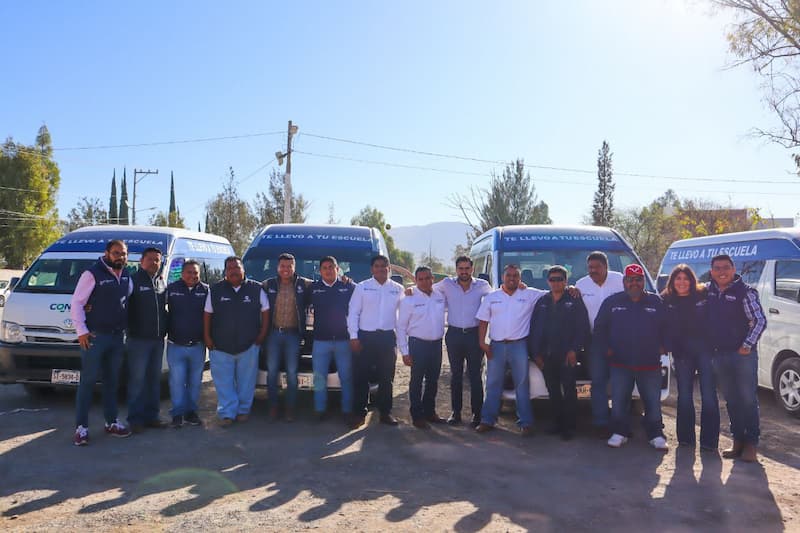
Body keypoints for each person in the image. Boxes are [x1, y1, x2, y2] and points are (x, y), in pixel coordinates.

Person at [594, 264, 668, 451]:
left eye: (638, 279)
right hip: (620, 363)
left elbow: (669, 328)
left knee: (652, 401)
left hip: (649, 364)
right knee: (619, 400)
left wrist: (664, 346)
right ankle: (620, 432)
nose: (634, 283)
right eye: (630, 279)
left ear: (643, 281)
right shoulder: (612, 302)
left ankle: (656, 434)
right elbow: (599, 328)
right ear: (624, 282)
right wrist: (607, 349)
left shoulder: (656, 302)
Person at [70, 239, 132, 446]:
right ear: (107, 253)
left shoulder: (126, 275)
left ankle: (111, 422)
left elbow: (126, 301)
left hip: (116, 337)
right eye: (116, 253)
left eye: (123, 253)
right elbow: (77, 303)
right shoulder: (92, 274)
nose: (120, 257)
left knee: (112, 382)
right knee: (87, 382)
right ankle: (81, 428)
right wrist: (82, 332)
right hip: (95, 337)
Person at [706, 254, 767, 463]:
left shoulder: (745, 292)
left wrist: (747, 345)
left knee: (747, 399)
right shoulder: (708, 291)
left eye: (725, 267)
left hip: (743, 355)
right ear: (711, 271)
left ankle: (751, 443)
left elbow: (759, 320)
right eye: (717, 268)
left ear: (733, 269)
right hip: (719, 354)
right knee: (731, 400)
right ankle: (738, 440)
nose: (721, 271)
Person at [475, 264, 546, 436]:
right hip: (496, 345)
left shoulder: (529, 294)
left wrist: (573, 288)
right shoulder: (492, 297)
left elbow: (552, 292)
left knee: (522, 384)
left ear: (520, 278)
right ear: (503, 277)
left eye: (515, 276)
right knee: (493, 384)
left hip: (519, 345)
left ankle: (525, 423)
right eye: (509, 275)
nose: (512, 278)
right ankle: (487, 420)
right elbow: (483, 321)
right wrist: (483, 344)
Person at [204, 256, 270, 426]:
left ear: (243, 270)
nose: (233, 271)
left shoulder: (256, 289)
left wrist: (261, 335)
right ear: (225, 272)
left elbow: (266, 311)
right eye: (230, 268)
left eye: (236, 267)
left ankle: (243, 410)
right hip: (220, 346)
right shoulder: (216, 290)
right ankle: (227, 413)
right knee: (223, 382)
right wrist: (207, 337)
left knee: (246, 382)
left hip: (248, 345)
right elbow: (207, 314)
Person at [661, 264, 719, 451]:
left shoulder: (704, 296)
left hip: (705, 351)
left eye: (686, 278)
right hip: (682, 354)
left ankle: (710, 441)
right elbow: (658, 324)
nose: (682, 282)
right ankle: (685, 438)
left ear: (692, 280)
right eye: (678, 278)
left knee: (709, 395)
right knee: (684, 396)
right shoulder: (666, 299)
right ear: (672, 281)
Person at [528, 265, 589, 440]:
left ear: (565, 281)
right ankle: (556, 423)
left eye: (559, 279)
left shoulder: (574, 300)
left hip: (567, 356)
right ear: (548, 281)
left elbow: (582, 328)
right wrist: (536, 354)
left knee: (569, 391)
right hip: (547, 356)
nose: (556, 283)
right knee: (553, 391)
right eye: (552, 279)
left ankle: (569, 427)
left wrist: (574, 350)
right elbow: (534, 329)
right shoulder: (542, 302)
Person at [347, 255, 404, 426]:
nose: (380, 269)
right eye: (377, 266)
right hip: (366, 337)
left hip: (387, 337)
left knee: (387, 378)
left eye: (383, 266)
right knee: (361, 376)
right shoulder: (362, 287)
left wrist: (403, 345)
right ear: (372, 269)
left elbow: (403, 318)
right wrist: (354, 337)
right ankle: (359, 413)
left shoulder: (398, 289)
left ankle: (385, 413)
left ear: (389, 268)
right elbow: (353, 313)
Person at [433, 256, 491, 427]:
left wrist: (521, 287)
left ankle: (477, 414)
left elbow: (498, 297)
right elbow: (426, 288)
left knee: (474, 376)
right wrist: (409, 291)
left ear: (472, 269)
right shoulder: (447, 284)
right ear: (456, 269)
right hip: (454, 335)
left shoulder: (482, 285)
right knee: (455, 375)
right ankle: (456, 413)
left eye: (467, 268)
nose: (464, 272)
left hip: (474, 335)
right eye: (461, 268)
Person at [575, 251, 624, 437]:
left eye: (597, 267)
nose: (593, 271)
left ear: (606, 266)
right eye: (590, 267)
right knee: (598, 382)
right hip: (594, 341)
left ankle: (621, 423)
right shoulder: (581, 284)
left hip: (620, 339)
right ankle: (601, 423)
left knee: (621, 382)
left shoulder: (620, 280)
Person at [309, 256, 357, 426]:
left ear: (338, 269)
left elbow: (365, 296)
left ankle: (347, 411)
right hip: (320, 341)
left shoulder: (348, 286)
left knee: (346, 377)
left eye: (331, 267)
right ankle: (320, 410)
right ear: (320, 271)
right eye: (325, 268)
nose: (328, 270)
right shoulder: (313, 288)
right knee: (319, 378)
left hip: (343, 340)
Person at [263, 253, 311, 422]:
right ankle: (273, 407)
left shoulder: (304, 284)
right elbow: (250, 288)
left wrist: (345, 281)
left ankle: (290, 408)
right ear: (278, 267)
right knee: (272, 372)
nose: (286, 269)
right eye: (283, 266)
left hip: (293, 335)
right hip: (273, 334)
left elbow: (323, 285)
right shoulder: (268, 284)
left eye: (289, 266)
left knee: (292, 372)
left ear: (294, 267)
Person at [397, 266, 447, 429]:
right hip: (417, 344)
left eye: (428, 278)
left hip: (436, 345)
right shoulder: (409, 299)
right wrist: (404, 352)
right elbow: (401, 327)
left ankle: (429, 412)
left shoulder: (440, 295)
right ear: (415, 280)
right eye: (421, 279)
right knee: (417, 381)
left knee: (433, 380)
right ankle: (417, 415)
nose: (425, 282)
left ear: (433, 279)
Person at [126, 247, 169, 433]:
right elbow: (124, 309)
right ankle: (135, 419)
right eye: (150, 259)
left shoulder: (161, 282)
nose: (154, 263)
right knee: (137, 381)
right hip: (138, 340)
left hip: (157, 340)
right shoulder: (133, 281)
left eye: (157, 260)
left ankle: (152, 416)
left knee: (153, 380)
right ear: (141, 261)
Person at [165, 259, 208, 428]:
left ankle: (191, 413)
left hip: (197, 346)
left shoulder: (206, 291)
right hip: (176, 344)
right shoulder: (172, 289)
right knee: (177, 381)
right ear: (182, 273)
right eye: (189, 272)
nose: (192, 276)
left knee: (195, 382)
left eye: (195, 273)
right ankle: (177, 414)